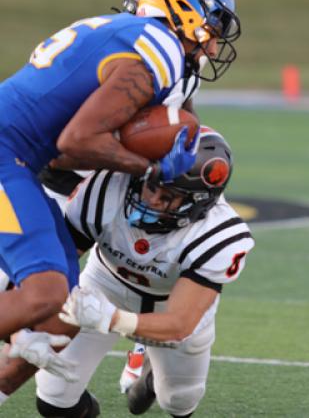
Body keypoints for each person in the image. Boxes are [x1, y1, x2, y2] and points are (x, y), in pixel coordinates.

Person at [0, 0, 241, 377]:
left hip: (21, 161)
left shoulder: (135, 39)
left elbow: (67, 148)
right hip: (9, 158)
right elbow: (75, 142)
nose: (214, 48)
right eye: (212, 30)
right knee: (43, 294)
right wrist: (148, 167)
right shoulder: (160, 48)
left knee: (61, 293)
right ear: (182, 8)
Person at [31, 127, 254, 417]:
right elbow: (62, 263)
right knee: (54, 397)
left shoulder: (218, 235)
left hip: (170, 305)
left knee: (178, 401)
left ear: (199, 201)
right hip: (105, 283)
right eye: (152, 185)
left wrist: (112, 319)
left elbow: (179, 324)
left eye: (169, 196)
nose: (152, 200)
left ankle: (150, 377)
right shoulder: (107, 187)